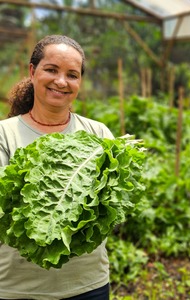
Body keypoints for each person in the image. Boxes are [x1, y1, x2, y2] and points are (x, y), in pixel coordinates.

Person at [0, 35, 114, 299]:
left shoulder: (99, 134)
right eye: (51, 70)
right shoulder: (5, 134)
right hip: (17, 289)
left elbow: (112, 209)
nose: (61, 82)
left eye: (72, 75)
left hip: (88, 285)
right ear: (32, 71)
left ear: (80, 82)